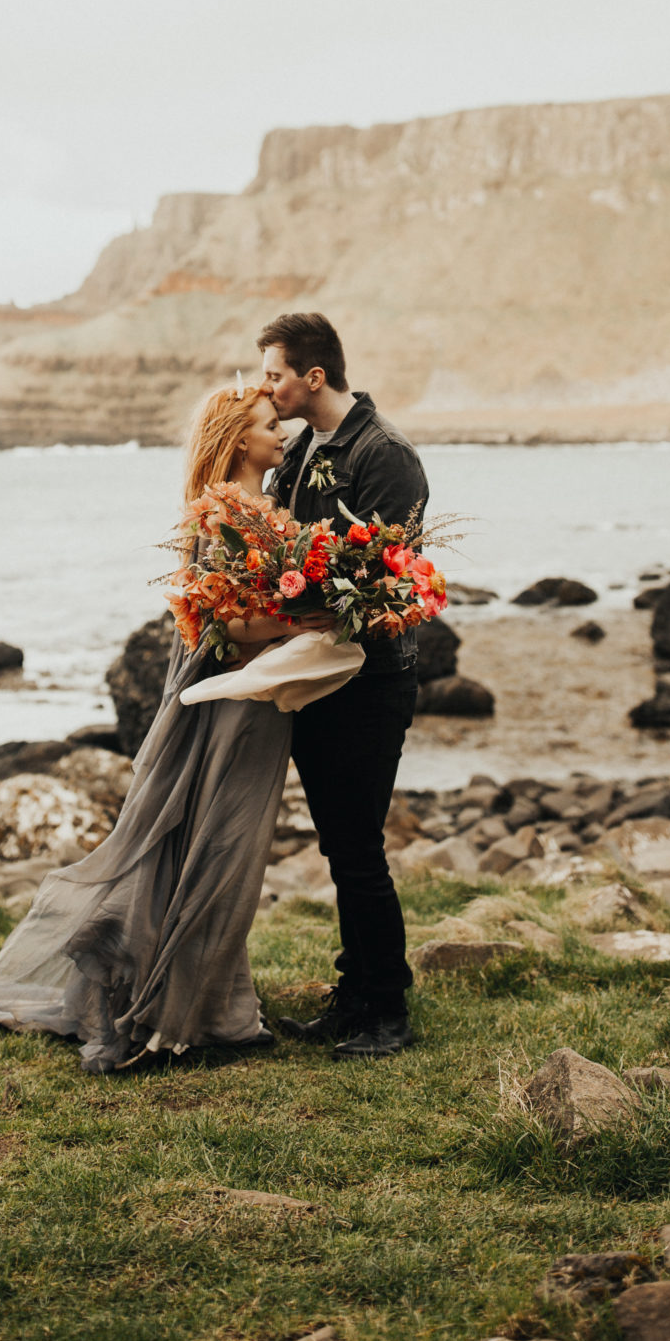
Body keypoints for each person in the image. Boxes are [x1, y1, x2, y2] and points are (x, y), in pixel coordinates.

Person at [0, 383, 299, 1074]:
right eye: (271, 424)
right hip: (226, 708)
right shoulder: (219, 518)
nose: (283, 433)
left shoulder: (270, 511)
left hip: (261, 705)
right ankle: (169, 1002)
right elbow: (233, 627)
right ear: (238, 439)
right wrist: (320, 619)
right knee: (213, 846)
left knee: (230, 851)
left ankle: (214, 1003)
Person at [259, 311, 428, 1058]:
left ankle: (387, 1011)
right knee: (337, 845)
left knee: (357, 847)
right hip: (313, 676)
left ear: (313, 376)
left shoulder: (383, 453)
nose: (266, 388)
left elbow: (391, 576)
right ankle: (351, 995)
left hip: (368, 679)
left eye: (274, 373)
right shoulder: (298, 450)